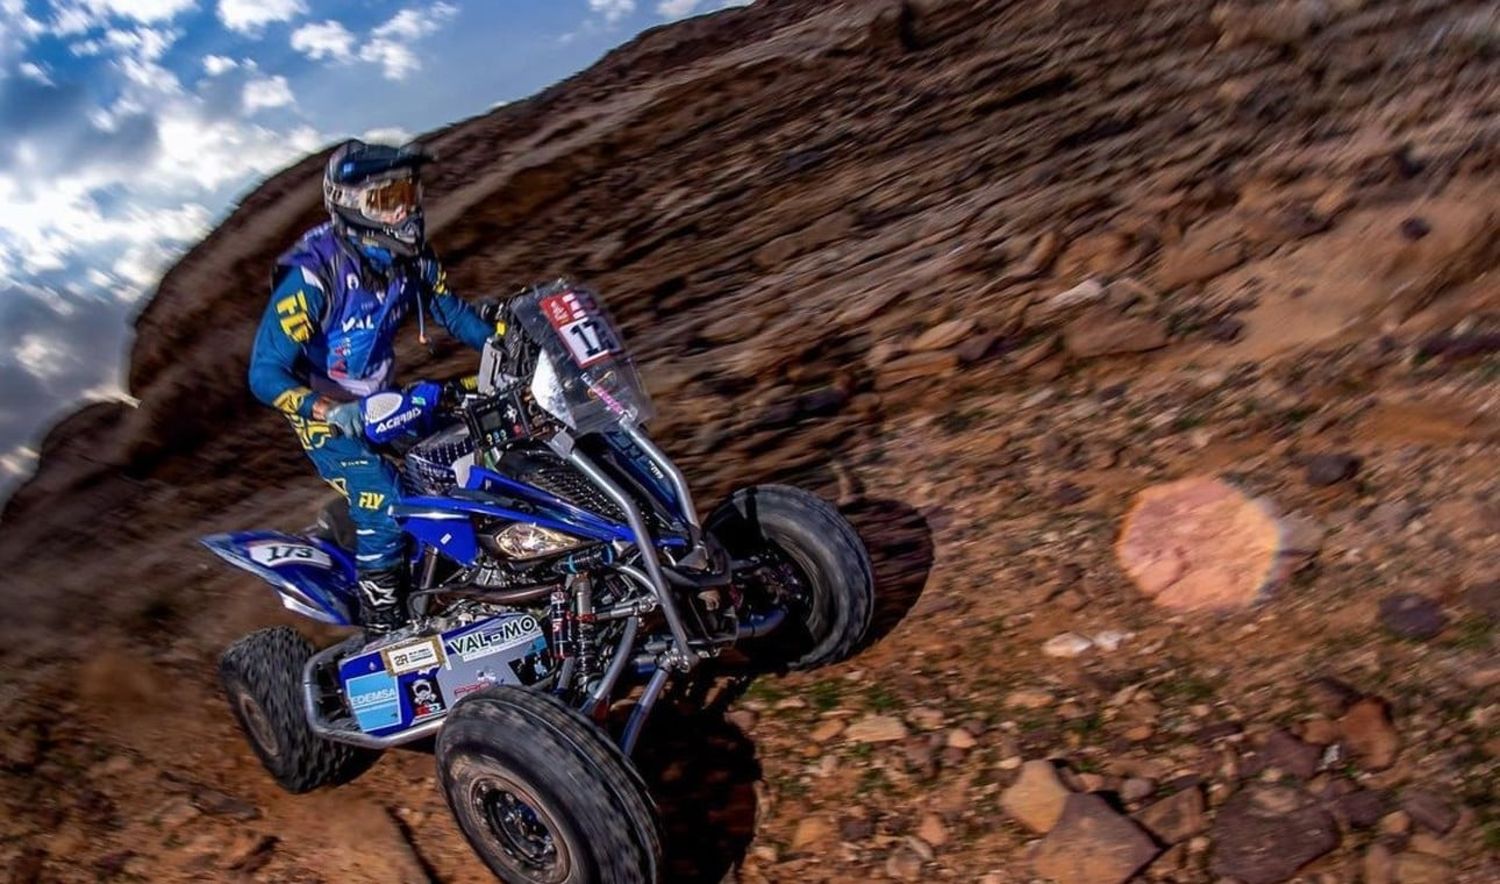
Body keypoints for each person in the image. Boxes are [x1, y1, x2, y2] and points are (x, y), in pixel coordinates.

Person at [248, 139, 496, 633]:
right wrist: (327, 410)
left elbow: (454, 314)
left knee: (478, 449)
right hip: (328, 417)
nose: (404, 210)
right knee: (381, 498)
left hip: (387, 401)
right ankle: (385, 625)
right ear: (348, 206)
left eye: (408, 193)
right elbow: (264, 371)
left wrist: (508, 346)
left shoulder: (411, 258)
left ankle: (484, 573)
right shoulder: (314, 273)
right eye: (386, 200)